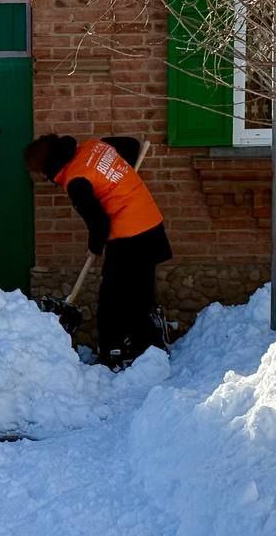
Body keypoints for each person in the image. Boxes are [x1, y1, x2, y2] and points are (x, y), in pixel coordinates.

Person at [24, 134, 171, 368]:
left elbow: (99, 223)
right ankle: (148, 345)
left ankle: (112, 351)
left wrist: (94, 246)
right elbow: (131, 146)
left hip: (129, 235)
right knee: (139, 293)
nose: (43, 178)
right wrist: (118, 182)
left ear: (49, 166)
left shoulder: (76, 181)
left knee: (111, 298)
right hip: (150, 222)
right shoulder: (93, 146)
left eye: (41, 174)